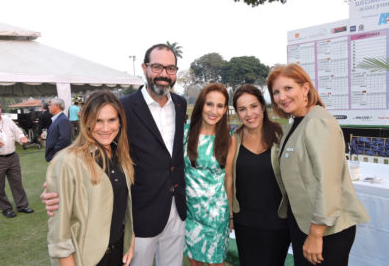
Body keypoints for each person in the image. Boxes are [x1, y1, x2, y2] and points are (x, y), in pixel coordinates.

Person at [42, 44, 187, 266]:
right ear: (144, 67)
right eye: (157, 67)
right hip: (141, 215)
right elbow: (90, 151)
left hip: (176, 210)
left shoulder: (180, 104)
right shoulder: (123, 107)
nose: (164, 74)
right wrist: (55, 193)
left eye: (170, 68)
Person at [267, 63, 369, 266]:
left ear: (305, 89)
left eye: (288, 88)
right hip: (303, 224)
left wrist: (316, 233)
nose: (282, 97)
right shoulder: (296, 123)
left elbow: (328, 182)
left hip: (325, 230)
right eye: (276, 92)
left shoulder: (318, 122)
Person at [46, 91, 135, 266]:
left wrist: (130, 242)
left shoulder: (121, 156)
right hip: (86, 259)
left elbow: (125, 207)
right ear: (86, 121)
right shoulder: (67, 161)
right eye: (98, 120)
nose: (105, 128)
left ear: (120, 122)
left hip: (118, 255)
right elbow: (59, 231)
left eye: (111, 120)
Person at [225, 84, 290, 266]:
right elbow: (228, 178)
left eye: (253, 106)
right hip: (245, 223)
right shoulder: (234, 139)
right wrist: (230, 214)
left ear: (262, 106)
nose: (249, 114)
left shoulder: (281, 135)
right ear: (237, 113)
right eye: (242, 109)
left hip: (278, 222)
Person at [184, 83, 231, 266]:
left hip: (216, 217)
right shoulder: (184, 135)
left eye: (220, 106)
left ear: (225, 109)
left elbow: (229, 179)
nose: (214, 111)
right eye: (209, 104)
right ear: (201, 105)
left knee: (215, 263)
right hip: (190, 214)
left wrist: (231, 216)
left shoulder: (228, 139)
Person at [0, 99, 34, 218]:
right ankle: (6, 209)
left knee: (17, 183)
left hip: (13, 157)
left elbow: (17, 132)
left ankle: (22, 206)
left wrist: (21, 138)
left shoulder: (8, 120)